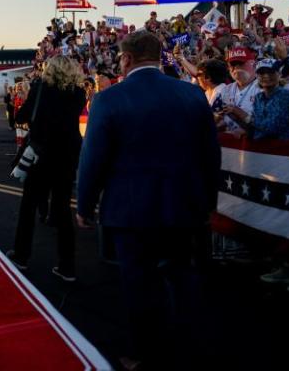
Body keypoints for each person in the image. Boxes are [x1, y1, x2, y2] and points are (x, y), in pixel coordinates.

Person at [76, 31, 221, 370]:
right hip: (185, 205)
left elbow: (92, 159)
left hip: (131, 210)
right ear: (158, 57)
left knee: (138, 282)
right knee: (182, 277)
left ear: (126, 60)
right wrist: (208, 201)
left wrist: (84, 204)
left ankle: (144, 354)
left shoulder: (109, 99)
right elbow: (210, 155)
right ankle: (188, 348)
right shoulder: (192, 94)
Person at [8, 56, 86, 281]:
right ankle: (67, 266)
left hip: (42, 154)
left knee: (29, 205)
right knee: (62, 210)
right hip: (67, 155)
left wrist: (23, 98)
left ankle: (21, 255)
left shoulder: (40, 88)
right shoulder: (78, 92)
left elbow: (22, 118)